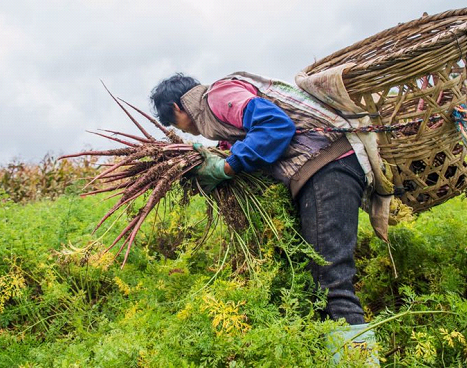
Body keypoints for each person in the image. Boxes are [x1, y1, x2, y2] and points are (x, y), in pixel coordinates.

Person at [150, 72, 379, 364]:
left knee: (331, 280)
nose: (180, 130)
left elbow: (275, 125)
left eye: (173, 121)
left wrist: (229, 167)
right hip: (319, 172)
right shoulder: (221, 122)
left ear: (178, 107)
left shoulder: (218, 97)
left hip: (327, 166)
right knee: (317, 281)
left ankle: (360, 362)